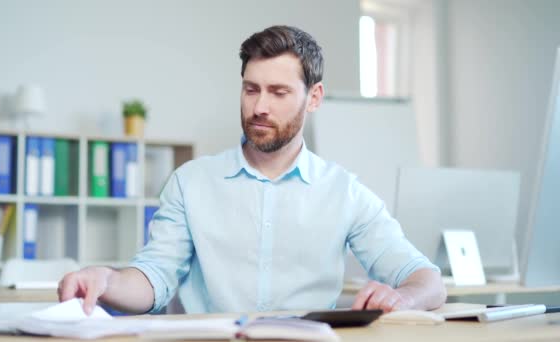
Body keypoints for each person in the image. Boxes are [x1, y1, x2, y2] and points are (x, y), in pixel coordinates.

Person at [58, 25, 447, 315]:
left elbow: (427, 280)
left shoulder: (346, 193)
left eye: (278, 93)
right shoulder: (190, 183)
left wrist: (404, 297)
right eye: (250, 89)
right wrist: (108, 279)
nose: (260, 106)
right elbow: (154, 277)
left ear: (314, 98)